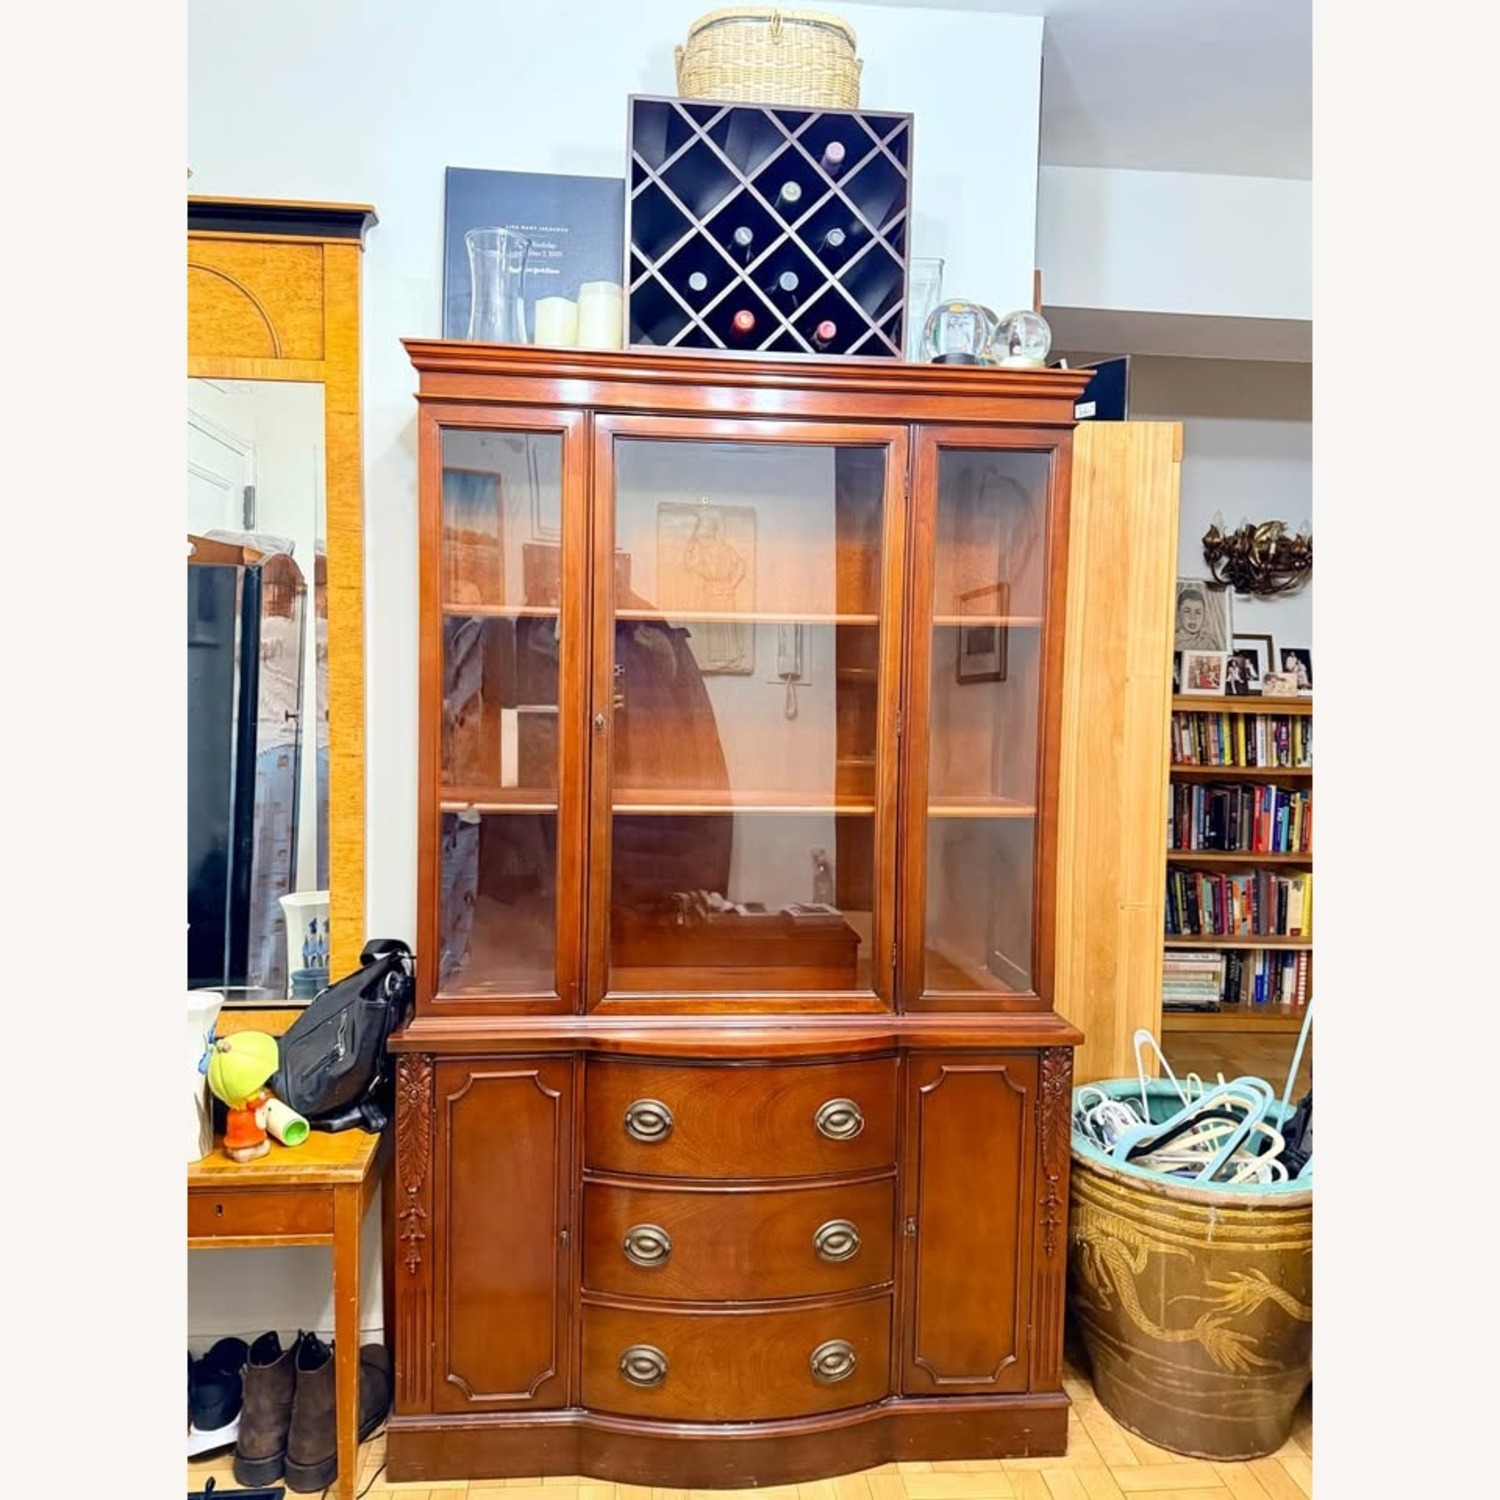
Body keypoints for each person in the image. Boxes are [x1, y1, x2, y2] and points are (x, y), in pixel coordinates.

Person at [1175, 581, 1226, 651]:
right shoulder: (1173, 641)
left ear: (1204, 615)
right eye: (1187, 611)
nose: (1193, 617)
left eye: (1198, 612)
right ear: (1178, 613)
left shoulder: (1209, 643)